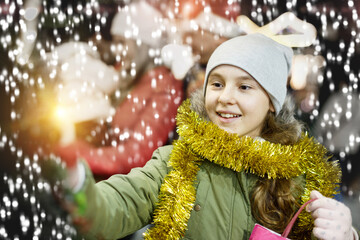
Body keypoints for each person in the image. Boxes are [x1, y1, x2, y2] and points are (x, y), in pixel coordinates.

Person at [59, 33, 359, 240]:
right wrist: (75, 183)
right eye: (216, 84)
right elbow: (112, 209)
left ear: (271, 102)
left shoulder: (301, 180)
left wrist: (346, 234)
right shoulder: (176, 163)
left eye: (244, 87)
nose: (225, 97)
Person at [55, 1, 184, 178]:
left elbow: (137, 155)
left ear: (144, 45)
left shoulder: (164, 87)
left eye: (122, 43)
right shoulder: (126, 75)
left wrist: (77, 154)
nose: (118, 52)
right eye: (115, 43)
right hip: (98, 175)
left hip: (123, 189)